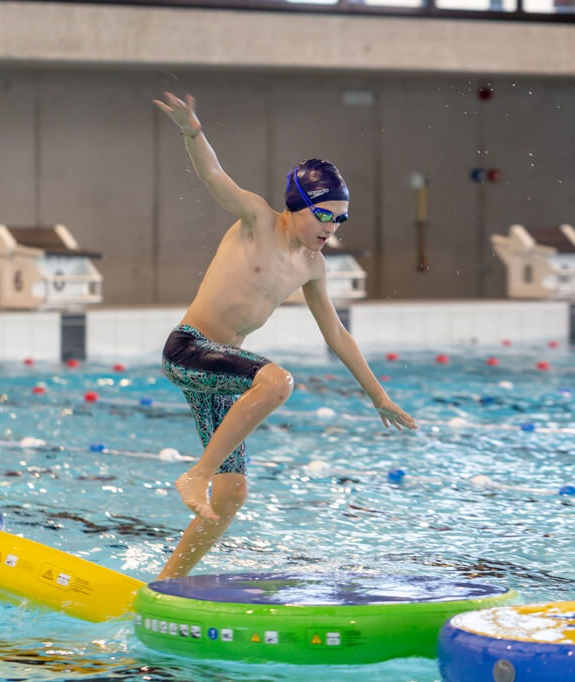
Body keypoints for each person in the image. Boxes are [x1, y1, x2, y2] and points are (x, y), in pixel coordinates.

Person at [152, 91, 417, 580]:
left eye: (340, 219)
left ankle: (168, 582)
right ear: (297, 206)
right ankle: (195, 474)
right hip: (188, 349)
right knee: (276, 382)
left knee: (233, 496)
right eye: (324, 215)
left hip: (221, 366)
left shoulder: (312, 265)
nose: (331, 228)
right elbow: (213, 175)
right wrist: (194, 132)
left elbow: (337, 333)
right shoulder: (257, 221)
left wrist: (378, 396)